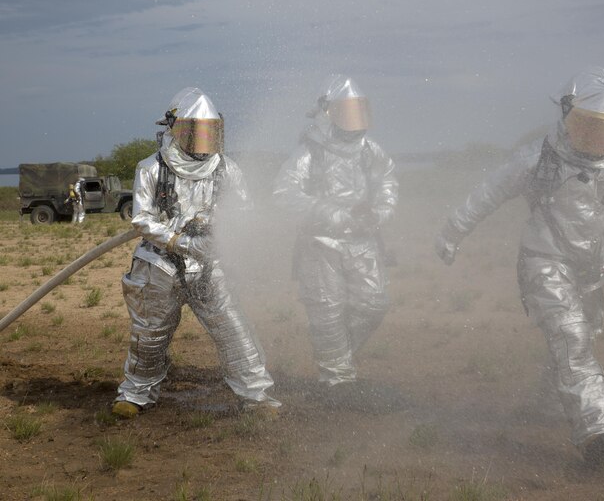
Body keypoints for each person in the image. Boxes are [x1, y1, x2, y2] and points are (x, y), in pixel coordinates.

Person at [435, 67, 604, 466]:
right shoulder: (539, 157)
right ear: (567, 117)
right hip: (544, 263)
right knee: (573, 341)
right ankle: (598, 431)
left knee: (581, 338)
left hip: (592, 268)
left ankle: (548, 404)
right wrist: (451, 234)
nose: (599, 137)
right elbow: (488, 194)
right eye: (589, 126)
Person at [112, 87, 279, 418]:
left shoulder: (227, 169)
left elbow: (244, 214)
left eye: (208, 132)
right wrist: (180, 241)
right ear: (174, 129)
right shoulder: (151, 168)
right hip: (158, 265)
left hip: (210, 267)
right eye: (194, 132)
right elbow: (142, 220)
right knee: (150, 335)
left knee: (234, 331)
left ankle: (256, 395)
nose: (202, 140)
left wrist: (219, 235)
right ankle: (135, 394)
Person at [272, 75, 398, 406]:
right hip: (319, 244)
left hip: (363, 240)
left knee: (375, 303)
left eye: (357, 111)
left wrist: (379, 213)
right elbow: (284, 193)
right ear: (328, 114)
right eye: (346, 112)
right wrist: (332, 214)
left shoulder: (370, 150)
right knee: (327, 311)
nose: (354, 120)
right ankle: (337, 381)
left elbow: (387, 181)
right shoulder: (309, 152)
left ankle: (337, 360)